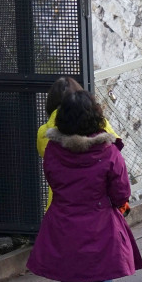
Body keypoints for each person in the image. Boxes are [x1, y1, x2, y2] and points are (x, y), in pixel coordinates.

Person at [28, 88, 142, 282]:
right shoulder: (110, 153)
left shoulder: (53, 151)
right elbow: (121, 193)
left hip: (64, 227)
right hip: (101, 228)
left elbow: (53, 180)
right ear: (96, 117)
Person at [37, 77, 120, 207]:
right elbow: (115, 145)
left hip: (61, 207)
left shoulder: (44, 132)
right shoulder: (99, 124)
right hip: (98, 207)